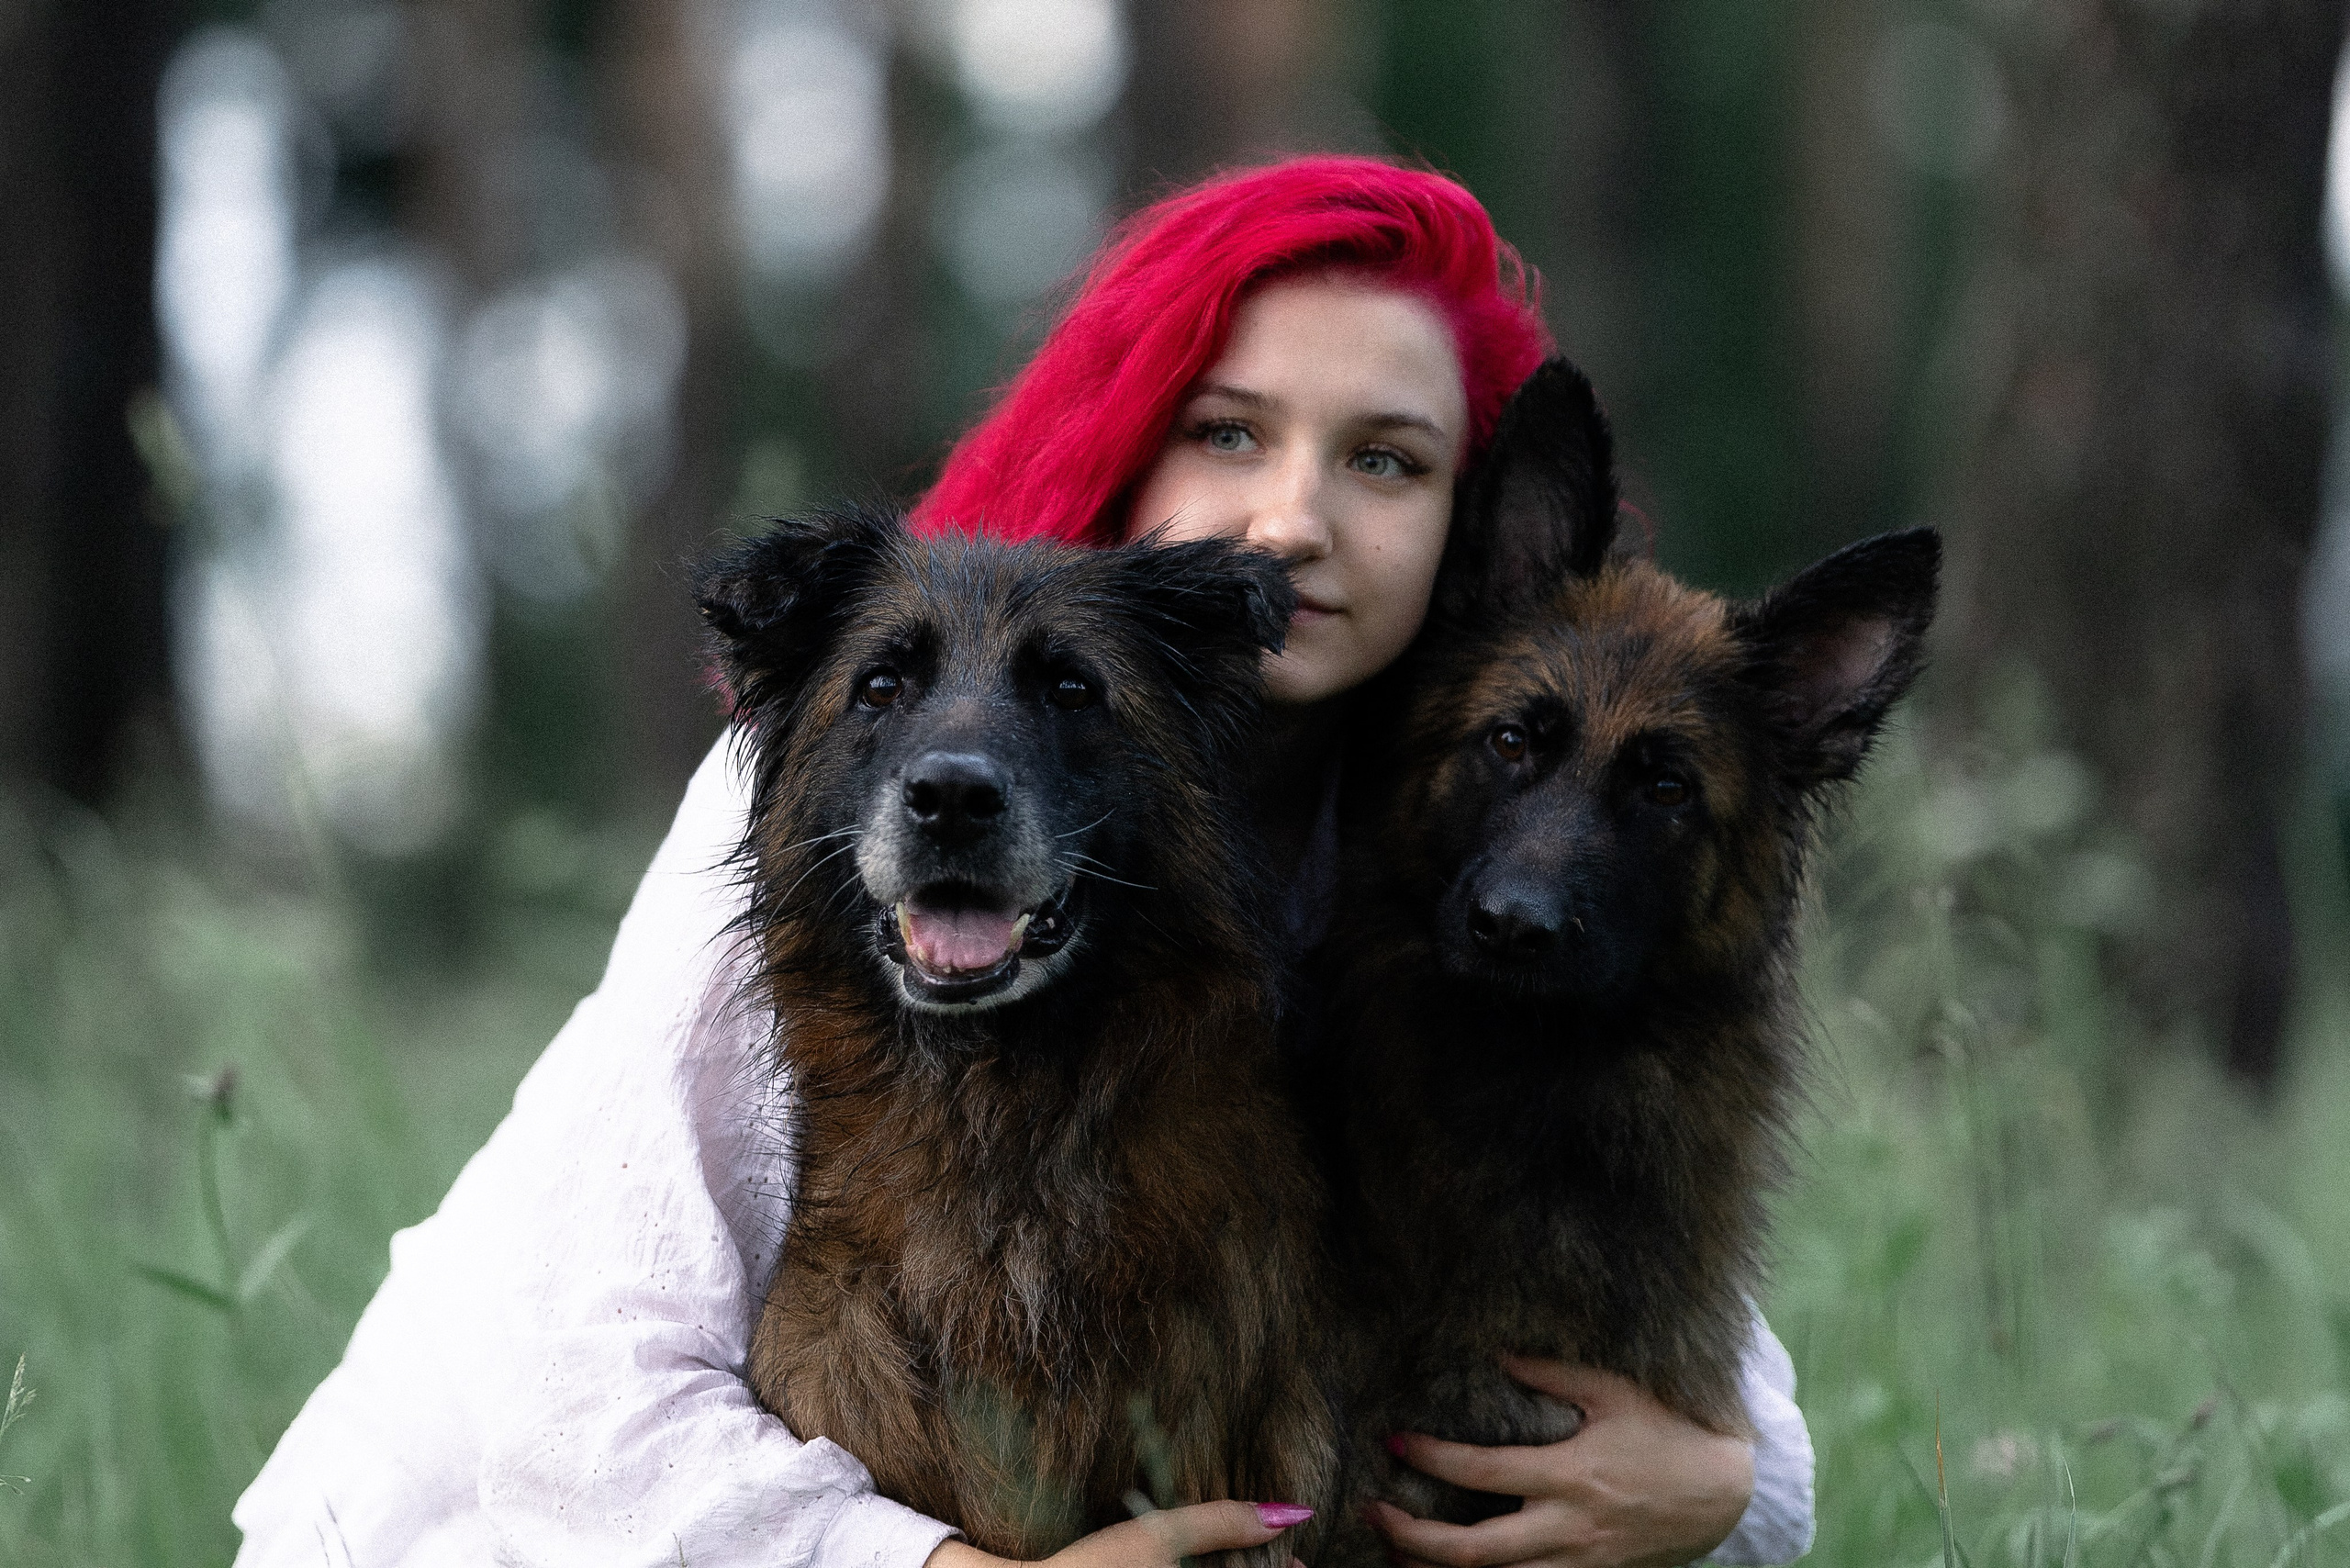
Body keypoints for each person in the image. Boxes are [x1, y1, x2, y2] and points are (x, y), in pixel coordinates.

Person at [231, 156, 1814, 1568]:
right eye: (1229, 431)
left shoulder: (1449, 837)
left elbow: (1674, 1305)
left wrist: (1729, 1495)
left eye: (1386, 462)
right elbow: (566, 1395)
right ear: (1126, 439)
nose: (1292, 520)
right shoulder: (850, 769)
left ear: (1477, 532)